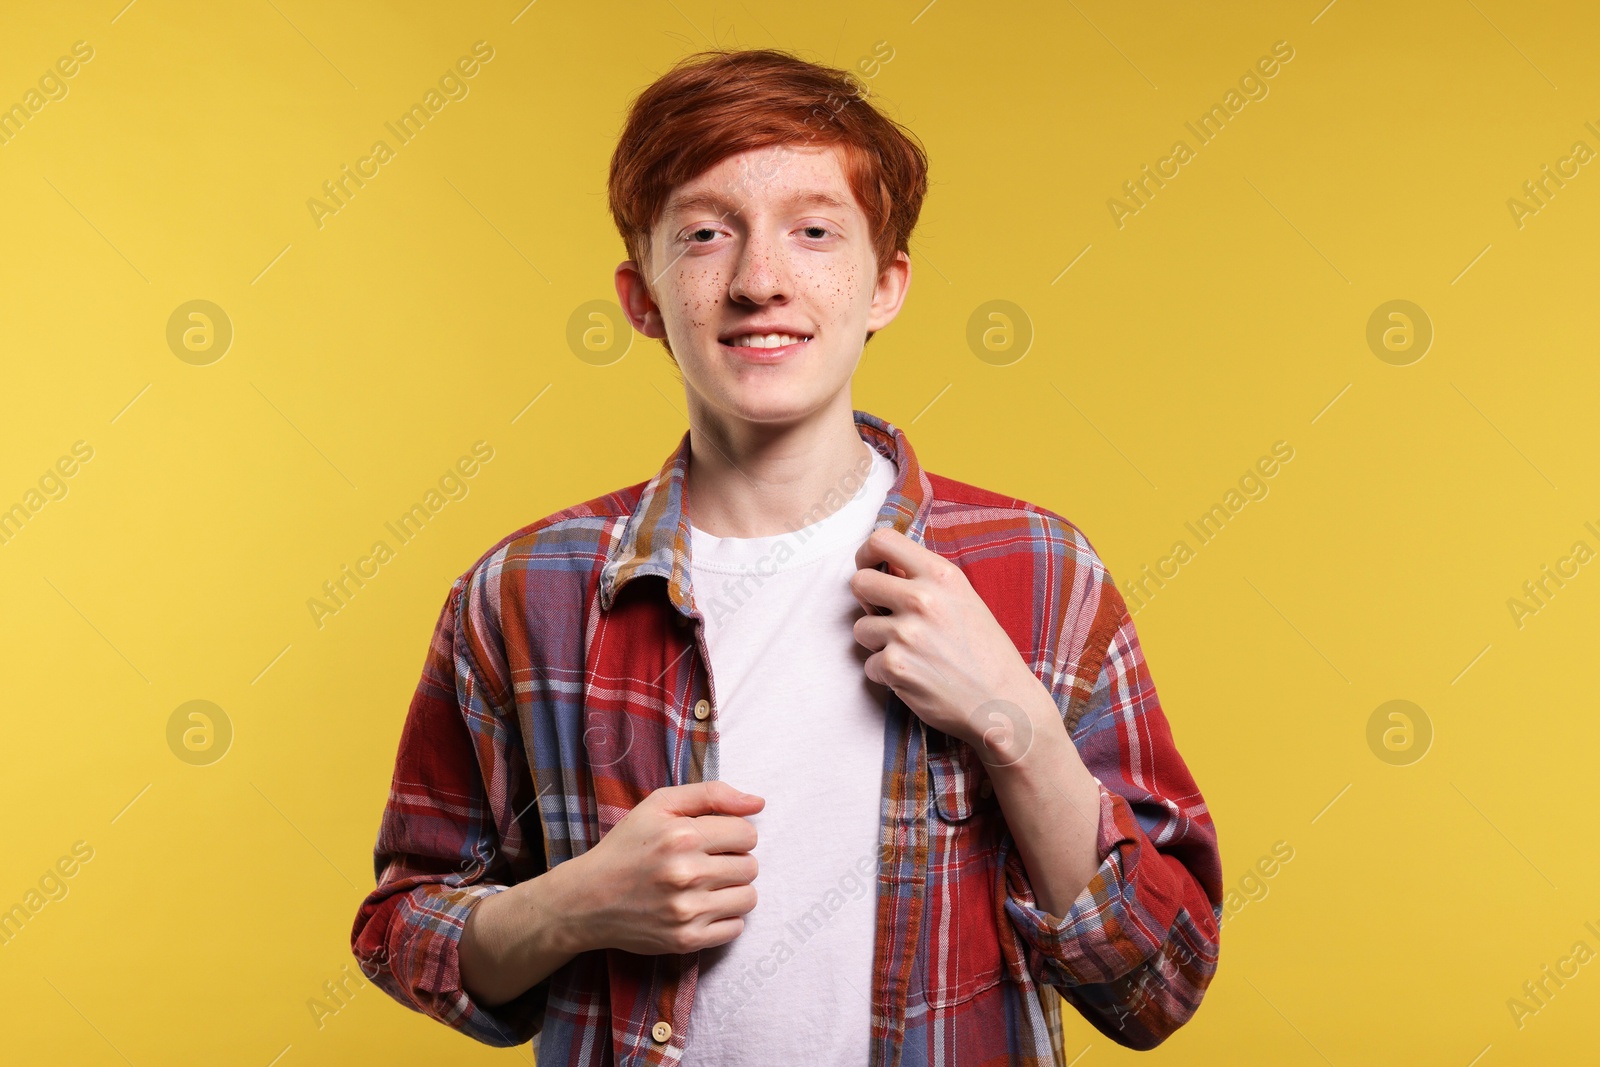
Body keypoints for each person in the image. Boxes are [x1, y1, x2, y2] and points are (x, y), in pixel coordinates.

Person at [350, 47, 1222, 1066]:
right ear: (642, 298)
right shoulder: (527, 590)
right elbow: (403, 926)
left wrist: (1016, 722)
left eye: (813, 231)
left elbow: (1159, 982)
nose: (761, 280)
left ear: (885, 284)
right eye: (708, 235)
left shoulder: (1041, 573)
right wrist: (572, 904)